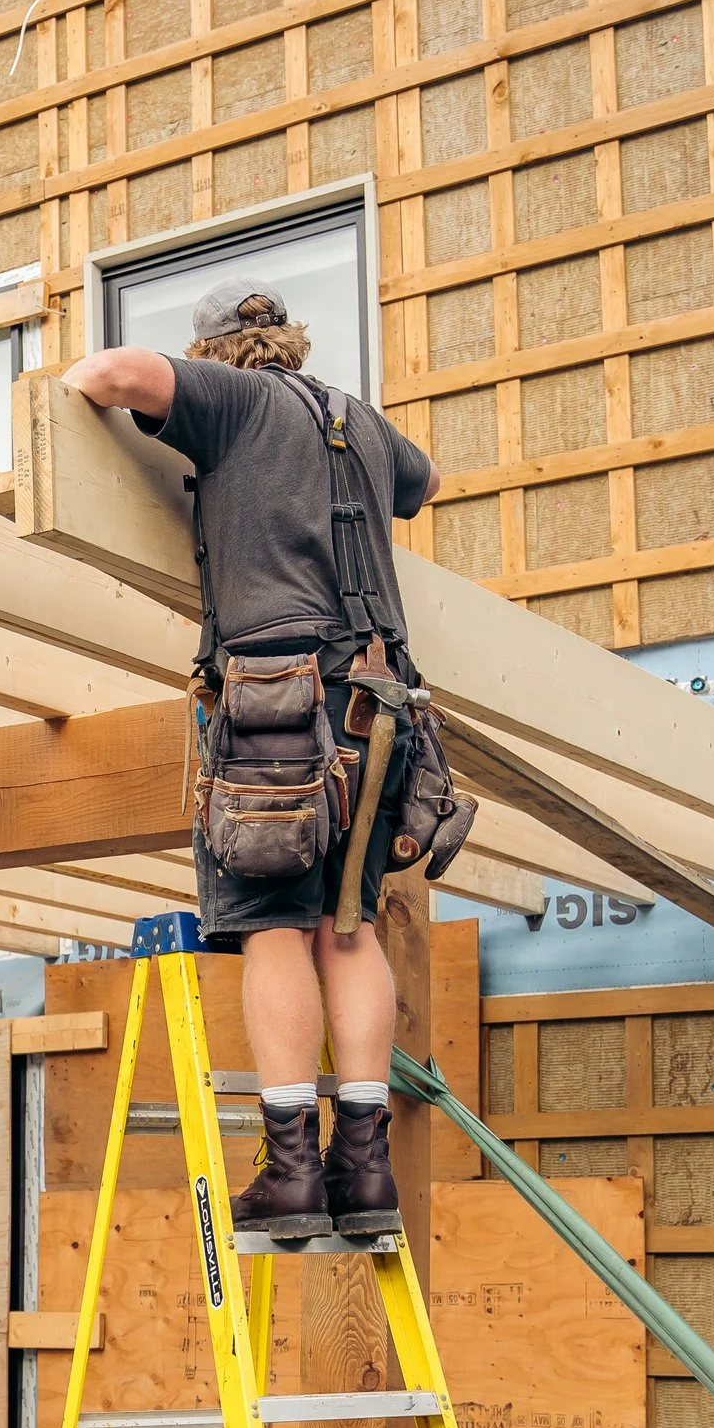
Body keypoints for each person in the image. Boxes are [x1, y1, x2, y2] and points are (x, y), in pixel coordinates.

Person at [59, 282, 444, 1239]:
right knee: (346, 923)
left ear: (220, 350)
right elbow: (424, 483)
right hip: (380, 705)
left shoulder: (231, 401)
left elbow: (116, 374)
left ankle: (294, 1173)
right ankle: (364, 1175)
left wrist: (54, 396)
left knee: (272, 926)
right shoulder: (353, 418)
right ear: (292, 341)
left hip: (279, 704)